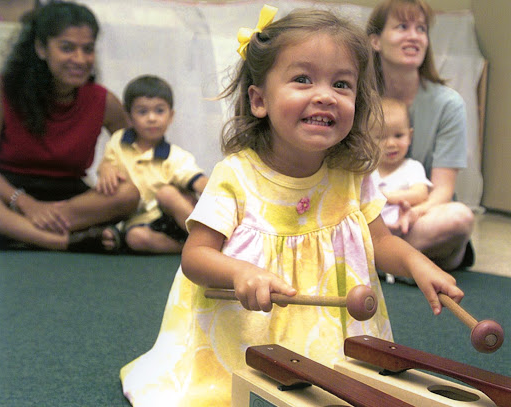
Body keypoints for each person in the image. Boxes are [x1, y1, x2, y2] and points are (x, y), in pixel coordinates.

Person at [119, 6, 463, 406]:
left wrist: (417, 263)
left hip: (328, 336)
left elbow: (381, 242)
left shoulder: (351, 173)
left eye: (341, 84)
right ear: (260, 99)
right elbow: (196, 257)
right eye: (302, 79)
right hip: (245, 336)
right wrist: (240, 272)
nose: (324, 95)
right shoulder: (236, 175)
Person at [0, 0, 139, 252]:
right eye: (67, 48)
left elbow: (134, 149)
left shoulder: (102, 100)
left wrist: (111, 165)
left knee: (128, 193)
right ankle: (59, 241)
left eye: (88, 49)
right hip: (10, 194)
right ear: (41, 48)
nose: (80, 59)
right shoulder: (4, 91)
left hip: (70, 201)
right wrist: (25, 203)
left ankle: (21, 232)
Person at [366, 0, 475, 271]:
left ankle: (380, 261)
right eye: (402, 26)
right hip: (370, 215)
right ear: (376, 41)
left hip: (419, 215)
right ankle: (414, 262)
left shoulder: (449, 105)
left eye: (421, 29)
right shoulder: (358, 99)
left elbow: (443, 191)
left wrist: (414, 212)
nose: (414, 36)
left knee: (459, 218)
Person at [96, 75, 208, 253]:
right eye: (142, 112)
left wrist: (214, 191)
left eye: (159, 111)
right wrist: (105, 169)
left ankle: (208, 239)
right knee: (135, 238)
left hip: (172, 218)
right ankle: (185, 249)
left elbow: (195, 178)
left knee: (167, 193)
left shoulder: (174, 155)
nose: (152, 118)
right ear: (129, 117)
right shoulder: (118, 142)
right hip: (141, 223)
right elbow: (106, 165)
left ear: (171, 116)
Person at [371, 97, 432, 283]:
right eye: (381, 137)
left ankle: (404, 267)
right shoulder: (367, 169)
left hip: (402, 229)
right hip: (373, 230)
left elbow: (421, 193)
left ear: (410, 136)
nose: (391, 144)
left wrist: (390, 197)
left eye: (399, 136)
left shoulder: (412, 167)